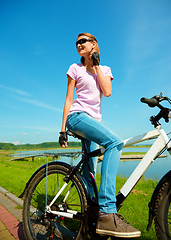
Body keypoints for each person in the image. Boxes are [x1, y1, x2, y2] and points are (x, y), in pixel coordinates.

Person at [59, 33, 141, 238]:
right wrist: (62, 130)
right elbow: (69, 100)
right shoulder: (74, 68)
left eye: (82, 41)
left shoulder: (104, 70)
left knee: (90, 173)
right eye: (76, 42)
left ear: (93, 44)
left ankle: (91, 219)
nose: (78, 44)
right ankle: (107, 211)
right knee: (115, 142)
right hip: (77, 117)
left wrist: (95, 65)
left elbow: (107, 91)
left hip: (93, 123)